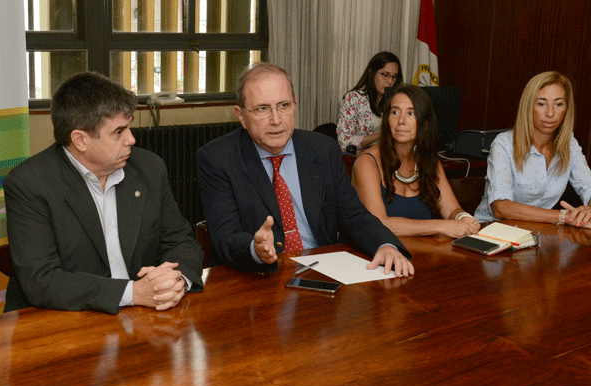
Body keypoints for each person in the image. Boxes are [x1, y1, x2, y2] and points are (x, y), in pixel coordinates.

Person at [3, 71, 204, 314]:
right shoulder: (29, 184)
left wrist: (175, 280)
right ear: (80, 140)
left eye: (129, 127)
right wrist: (133, 293)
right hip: (62, 324)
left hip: (144, 319)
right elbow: (41, 280)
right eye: (119, 132)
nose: (132, 139)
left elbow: (180, 241)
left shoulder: (149, 168)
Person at [197, 62, 413, 276]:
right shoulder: (218, 158)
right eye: (263, 109)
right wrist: (256, 249)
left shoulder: (323, 149)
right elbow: (224, 237)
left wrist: (385, 245)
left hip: (324, 273)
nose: (276, 119)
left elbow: (353, 215)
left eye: (284, 105)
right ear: (241, 115)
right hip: (258, 280)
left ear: (295, 105)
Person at [352, 84, 481, 237]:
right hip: (374, 254)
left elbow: (451, 209)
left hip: (419, 254)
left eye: (411, 113)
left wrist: (464, 218)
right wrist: (442, 226)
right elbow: (379, 224)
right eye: (395, 112)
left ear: (425, 123)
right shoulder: (367, 163)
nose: (401, 120)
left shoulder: (428, 160)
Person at [475, 71, 591, 226]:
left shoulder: (569, 143)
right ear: (529, 106)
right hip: (491, 231)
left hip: (536, 234)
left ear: (567, 108)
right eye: (541, 104)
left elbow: (588, 187)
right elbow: (501, 208)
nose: (550, 113)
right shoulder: (504, 144)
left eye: (558, 104)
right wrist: (565, 217)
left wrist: (586, 213)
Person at [337, 52, 403, 152]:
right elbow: (344, 142)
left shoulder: (395, 100)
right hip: (360, 158)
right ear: (371, 72)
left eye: (394, 77)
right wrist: (382, 134)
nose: (390, 82)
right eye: (385, 75)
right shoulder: (354, 98)